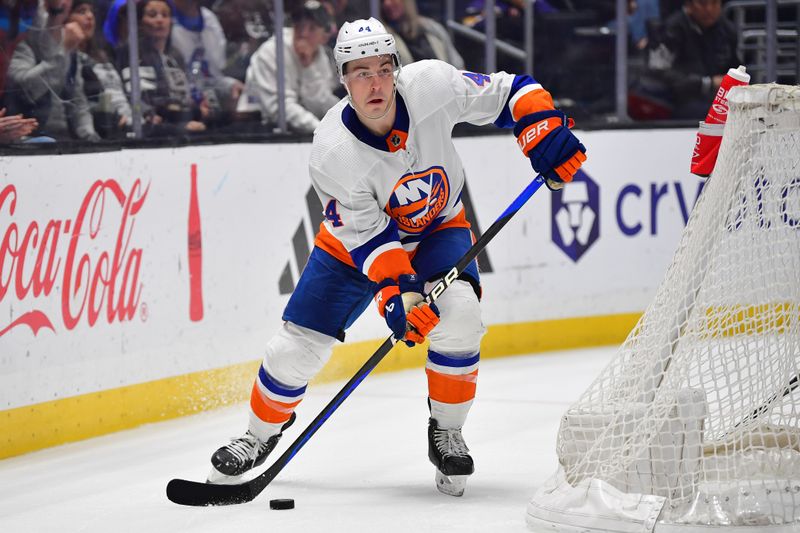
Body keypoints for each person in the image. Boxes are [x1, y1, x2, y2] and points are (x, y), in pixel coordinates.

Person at [208, 18, 586, 496]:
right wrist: (399, 299)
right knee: (293, 348)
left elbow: (511, 91)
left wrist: (542, 129)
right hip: (352, 250)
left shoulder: (431, 84)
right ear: (342, 80)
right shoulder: (333, 152)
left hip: (436, 228)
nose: (374, 83)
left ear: (397, 69)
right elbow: (371, 240)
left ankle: (446, 430)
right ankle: (258, 435)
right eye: (360, 72)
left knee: (462, 315)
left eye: (383, 69)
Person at [237, 0, 338, 132]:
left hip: (301, 126)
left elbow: (320, 104)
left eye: (312, 28)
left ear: (324, 37)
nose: (304, 33)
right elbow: (280, 109)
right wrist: (321, 131)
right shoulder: (272, 51)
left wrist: (308, 68)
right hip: (255, 125)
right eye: (299, 26)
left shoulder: (320, 55)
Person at [6, 0, 101, 141]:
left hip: (65, 139)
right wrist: (63, 51)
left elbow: (78, 101)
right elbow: (29, 91)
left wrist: (91, 137)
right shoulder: (21, 41)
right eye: (54, 9)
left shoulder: (69, 43)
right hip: (26, 140)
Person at [116, 0, 207, 134]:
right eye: (153, 15)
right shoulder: (131, 53)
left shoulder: (176, 55)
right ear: (140, 23)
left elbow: (185, 96)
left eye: (165, 15)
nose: (160, 20)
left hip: (183, 120)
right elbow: (133, 97)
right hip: (154, 127)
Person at [646, 0, 740, 119]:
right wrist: (707, 83)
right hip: (677, 100)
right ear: (689, 5)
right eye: (703, 4)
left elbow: (737, 67)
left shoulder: (727, 30)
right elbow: (658, 72)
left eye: (715, 3)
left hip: (718, 98)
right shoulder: (670, 30)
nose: (709, 9)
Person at [67, 0, 132, 138]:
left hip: (128, 124)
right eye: (81, 11)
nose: (90, 16)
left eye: (91, 11)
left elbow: (122, 93)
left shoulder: (105, 54)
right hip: (99, 131)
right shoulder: (67, 58)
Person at [381, 0, 463, 69]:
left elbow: (459, 67)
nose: (387, 4)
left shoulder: (432, 28)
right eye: (382, 1)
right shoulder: (384, 39)